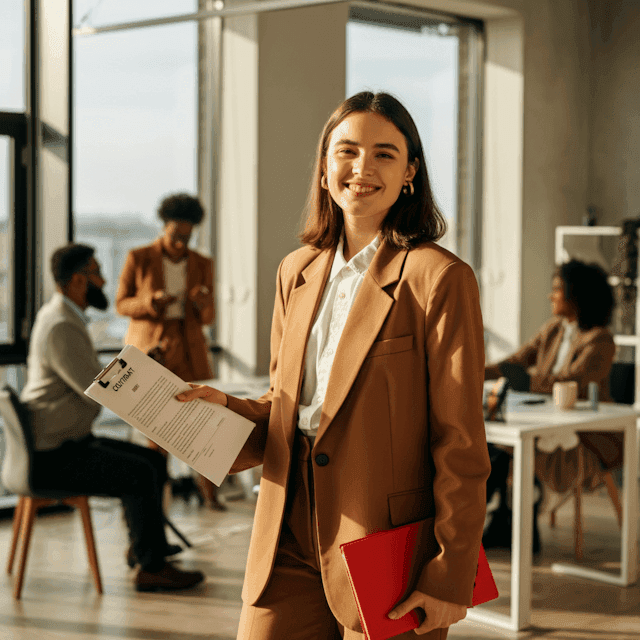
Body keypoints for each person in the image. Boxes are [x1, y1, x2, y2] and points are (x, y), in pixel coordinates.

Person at [178, 92, 491, 639]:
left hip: (382, 541)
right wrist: (222, 410)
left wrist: (451, 573)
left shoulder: (437, 278)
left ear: (410, 173)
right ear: (325, 168)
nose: (362, 168)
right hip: (284, 535)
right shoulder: (294, 272)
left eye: (385, 154)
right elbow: (288, 413)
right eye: (346, 151)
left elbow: (459, 441)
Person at [20, 244, 205, 592]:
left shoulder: (63, 316)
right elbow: (97, 388)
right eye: (96, 272)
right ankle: (151, 567)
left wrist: (141, 365)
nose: (103, 280)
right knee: (138, 472)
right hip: (56, 455)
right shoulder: (62, 324)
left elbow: (94, 380)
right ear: (78, 280)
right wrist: (142, 374)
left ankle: (146, 548)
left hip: (62, 443)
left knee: (150, 459)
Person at [483, 260, 617, 551]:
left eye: (557, 289)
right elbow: (516, 363)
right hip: (542, 421)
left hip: (585, 434)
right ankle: (508, 522)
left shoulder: (601, 340)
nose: (551, 295)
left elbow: (576, 381)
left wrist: (527, 382)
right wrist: (472, 371)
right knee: (495, 446)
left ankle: (504, 523)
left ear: (576, 294)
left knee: (507, 449)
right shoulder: (554, 328)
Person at [116, 193, 226, 510]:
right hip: (153, 350)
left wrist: (201, 304)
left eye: (187, 237)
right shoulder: (139, 257)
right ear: (164, 226)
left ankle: (210, 495)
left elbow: (208, 318)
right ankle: (155, 496)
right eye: (176, 235)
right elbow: (121, 304)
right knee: (156, 429)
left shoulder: (202, 264)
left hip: (190, 350)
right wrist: (151, 302)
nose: (181, 243)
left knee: (203, 422)